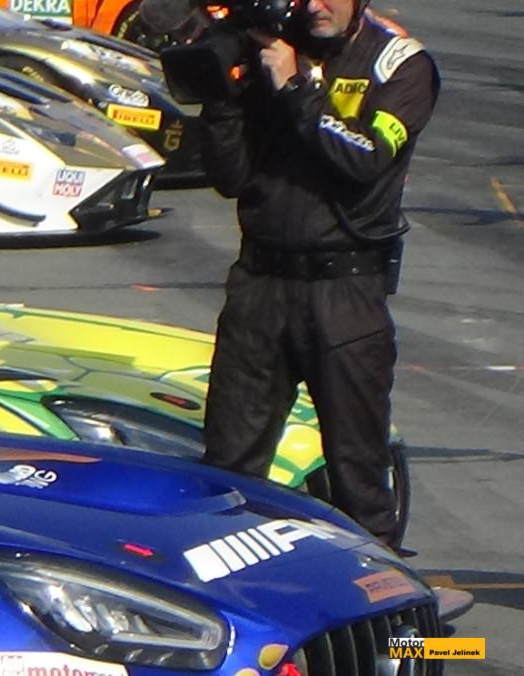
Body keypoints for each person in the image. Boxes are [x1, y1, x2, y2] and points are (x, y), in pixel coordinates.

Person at [197, 0, 439, 546]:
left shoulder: (400, 64)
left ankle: (384, 600)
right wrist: (222, 99)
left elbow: (366, 158)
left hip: (345, 290)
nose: (314, 6)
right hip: (259, 285)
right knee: (227, 469)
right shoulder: (271, 46)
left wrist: (296, 88)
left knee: (358, 479)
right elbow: (231, 178)